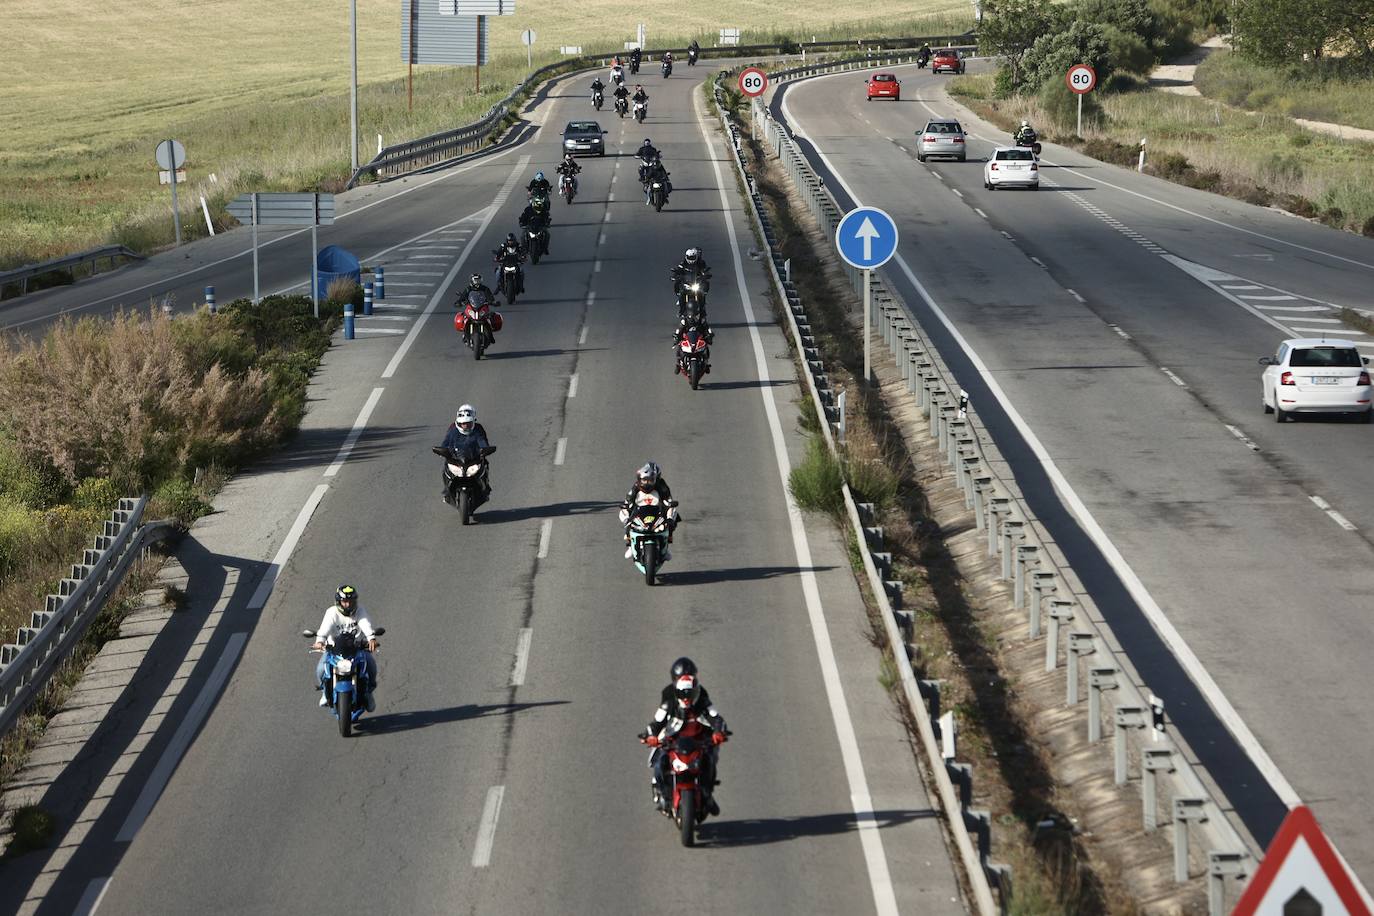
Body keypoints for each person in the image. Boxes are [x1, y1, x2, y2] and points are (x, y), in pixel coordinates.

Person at [640, 656, 727, 816]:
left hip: (698, 739)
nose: (686, 698)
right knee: (659, 763)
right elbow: (657, 721)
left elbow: (715, 717)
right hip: (673, 739)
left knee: (710, 760)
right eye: (682, 694)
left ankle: (707, 795)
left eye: (690, 693)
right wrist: (650, 735)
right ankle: (663, 794)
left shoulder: (702, 697)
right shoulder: (668, 699)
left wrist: (718, 731)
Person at [312, 585, 379, 712]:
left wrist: (371, 638)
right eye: (345, 601)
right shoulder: (331, 612)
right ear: (338, 601)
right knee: (321, 669)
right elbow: (324, 628)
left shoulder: (360, 611)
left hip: (357, 649)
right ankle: (325, 691)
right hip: (334, 650)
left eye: (351, 601)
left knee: (370, 665)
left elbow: (365, 624)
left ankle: (369, 693)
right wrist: (320, 641)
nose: (348, 604)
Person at [619, 461, 676, 559]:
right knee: (626, 517)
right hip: (639, 511)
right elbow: (628, 499)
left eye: (650, 480)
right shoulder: (636, 486)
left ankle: (665, 547)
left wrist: (669, 507)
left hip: (657, 511)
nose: (647, 483)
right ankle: (630, 544)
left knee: (673, 516)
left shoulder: (661, 485)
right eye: (644, 480)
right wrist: (626, 506)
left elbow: (668, 498)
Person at [439, 404, 493, 504]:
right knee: (446, 468)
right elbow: (446, 443)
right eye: (463, 423)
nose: (465, 425)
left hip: (473, 458)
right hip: (456, 458)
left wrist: (484, 450)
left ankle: (485, 488)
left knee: (485, 465)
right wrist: (443, 451)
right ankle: (447, 491)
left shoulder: (478, 429)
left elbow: (483, 441)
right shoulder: (452, 430)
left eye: (468, 423)